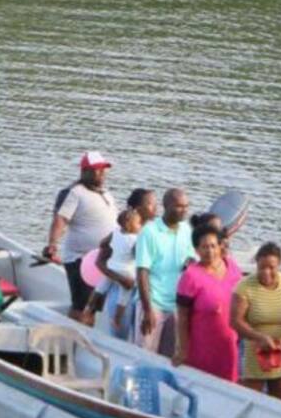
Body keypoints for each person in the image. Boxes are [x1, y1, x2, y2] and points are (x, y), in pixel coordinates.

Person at [44, 151, 118, 321]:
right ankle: (74, 342)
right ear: (84, 171)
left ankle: (89, 339)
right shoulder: (74, 192)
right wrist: (52, 245)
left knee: (95, 306)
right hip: (81, 260)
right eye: (96, 170)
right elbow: (61, 219)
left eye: (103, 169)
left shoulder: (105, 193)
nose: (101, 173)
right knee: (81, 307)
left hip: (102, 260)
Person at [231, 242, 281, 399]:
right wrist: (259, 337)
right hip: (256, 352)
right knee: (250, 399)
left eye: (271, 268)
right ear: (256, 265)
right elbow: (235, 321)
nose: (266, 272)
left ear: (279, 265)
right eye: (262, 268)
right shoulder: (244, 287)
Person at [173, 223, 243, 380]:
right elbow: (182, 317)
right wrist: (182, 349)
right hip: (202, 347)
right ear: (197, 250)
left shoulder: (231, 267)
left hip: (229, 346)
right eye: (204, 247)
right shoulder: (190, 276)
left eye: (213, 246)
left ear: (220, 247)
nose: (210, 251)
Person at [135, 188, 195, 356]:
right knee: (145, 355)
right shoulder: (149, 232)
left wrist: (190, 261)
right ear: (166, 205)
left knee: (169, 356)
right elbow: (142, 272)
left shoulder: (186, 229)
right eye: (178, 206)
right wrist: (147, 310)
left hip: (176, 305)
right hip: (153, 303)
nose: (184, 211)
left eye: (186, 206)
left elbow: (190, 257)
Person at [82, 207, 144, 337]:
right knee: (123, 297)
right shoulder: (135, 240)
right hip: (126, 272)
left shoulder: (115, 232)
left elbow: (103, 242)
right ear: (129, 224)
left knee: (100, 288)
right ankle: (117, 319)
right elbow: (140, 258)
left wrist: (111, 246)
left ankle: (88, 307)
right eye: (139, 223)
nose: (140, 226)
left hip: (111, 266)